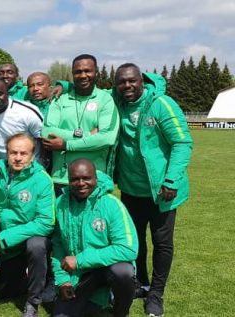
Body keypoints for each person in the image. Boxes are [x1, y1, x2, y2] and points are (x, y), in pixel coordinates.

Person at [113, 64, 193, 317]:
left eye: (132, 81)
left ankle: (156, 294)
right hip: (130, 189)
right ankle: (141, 284)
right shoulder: (117, 101)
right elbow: (90, 89)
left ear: (142, 81)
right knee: (135, 242)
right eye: (121, 82)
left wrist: (171, 181)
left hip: (162, 191)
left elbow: (182, 142)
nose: (127, 86)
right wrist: (66, 84)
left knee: (161, 243)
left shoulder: (162, 104)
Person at [0, 133, 55, 317]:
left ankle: (33, 301)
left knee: (36, 245)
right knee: (6, 292)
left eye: (24, 153)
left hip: (25, 240)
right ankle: (31, 276)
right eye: (14, 153)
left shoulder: (42, 180)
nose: (18, 158)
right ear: (6, 152)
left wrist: (7, 238)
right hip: (1, 243)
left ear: (32, 154)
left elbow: (46, 222)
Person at [51, 159, 138, 317]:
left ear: (96, 179)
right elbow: (57, 246)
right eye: (75, 179)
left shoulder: (112, 204)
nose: (81, 183)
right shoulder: (60, 204)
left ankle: (120, 311)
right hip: (81, 274)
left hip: (108, 268)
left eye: (86, 178)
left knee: (123, 272)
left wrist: (80, 260)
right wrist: (63, 280)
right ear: (68, 180)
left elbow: (128, 249)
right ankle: (98, 298)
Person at [42, 54, 119, 190]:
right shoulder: (59, 99)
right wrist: (88, 134)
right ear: (72, 74)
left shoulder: (105, 100)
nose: (83, 75)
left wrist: (66, 145)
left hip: (95, 178)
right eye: (78, 72)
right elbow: (47, 132)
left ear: (96, 72)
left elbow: (107, 138)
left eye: (87, 71)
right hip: (61, 178)